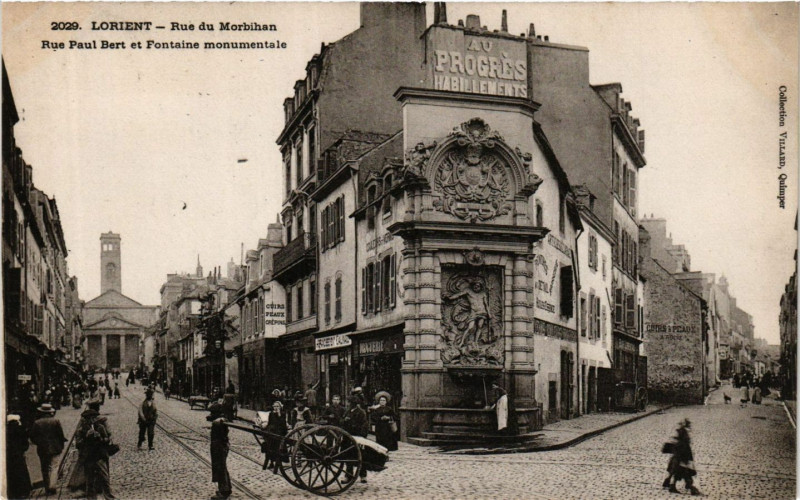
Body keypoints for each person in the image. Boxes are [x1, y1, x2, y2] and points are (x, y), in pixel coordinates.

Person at [80, 399, 115, 499]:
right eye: (88, 419)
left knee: (105, 478)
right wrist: (86, 436)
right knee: (89, 480)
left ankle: (109, 497)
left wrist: (100, 437)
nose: (91, 421)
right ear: (85, 420)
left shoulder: (100, 427)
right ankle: (91, 498)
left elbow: (107, 439)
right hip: (89, 457)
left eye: (92, 418)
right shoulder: (81, 430)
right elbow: (78, 444)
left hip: (99, 455)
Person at [30, 403, 67, 494]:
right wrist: (61, 444)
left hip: (42, 449)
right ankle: (53, 486)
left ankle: (47, 487)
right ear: (50, 412)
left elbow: (32, 437)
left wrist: (39, 443)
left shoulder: (37, 423)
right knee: (54, 467)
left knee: (45, 468)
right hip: (55, 447)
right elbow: (60, 434)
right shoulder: (55, 421)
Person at [664, 419, 700, 495]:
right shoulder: (684, 435)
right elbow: (684, 447)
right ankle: (690, 487)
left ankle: (670, 484)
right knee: (684, 473)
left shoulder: (681, 433)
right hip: (682, 458)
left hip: (679, 457)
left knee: (677, 472)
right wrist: (687, 459)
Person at [208, 402, 232, 499]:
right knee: (223, 467)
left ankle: (223, 492)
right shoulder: (222, 419)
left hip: (218, 446)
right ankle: (227, 488)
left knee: (220, 468)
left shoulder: (217, 422)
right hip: (223, 445)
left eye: (212, 412)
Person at [343, 396, 369, 483]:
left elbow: (365, 425)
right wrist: (344, 420)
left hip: (358, 437)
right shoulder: (347, 411)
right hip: (347, 437)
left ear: (354, 404)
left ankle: (363, 475)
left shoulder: (361, 412)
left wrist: (362, 436)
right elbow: (341, 421)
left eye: (350, 403)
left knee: (361, 456)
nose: (348, 404)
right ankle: (348, 475)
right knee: (348, 457)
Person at [6, 414, 33, 499]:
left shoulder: (5, 430)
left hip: (10, 455)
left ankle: (14, 492)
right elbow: (25, 442)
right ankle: (24, 491)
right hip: (19, 454)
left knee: (12, 473)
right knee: (21, 471)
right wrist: (23, 449)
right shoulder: (20, 429)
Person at [262, 401, 289, 472]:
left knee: (277, 448)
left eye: (277, 406)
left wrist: (279, 415)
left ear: (280, 407)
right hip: (272, 432)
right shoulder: (271, 414)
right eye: (275, 406)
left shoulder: (283, 414)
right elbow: (269, 423)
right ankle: (271, 462)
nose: (276, 408)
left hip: (279, 432)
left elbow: (283, 425)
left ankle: (278, 463)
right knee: (269, 447)